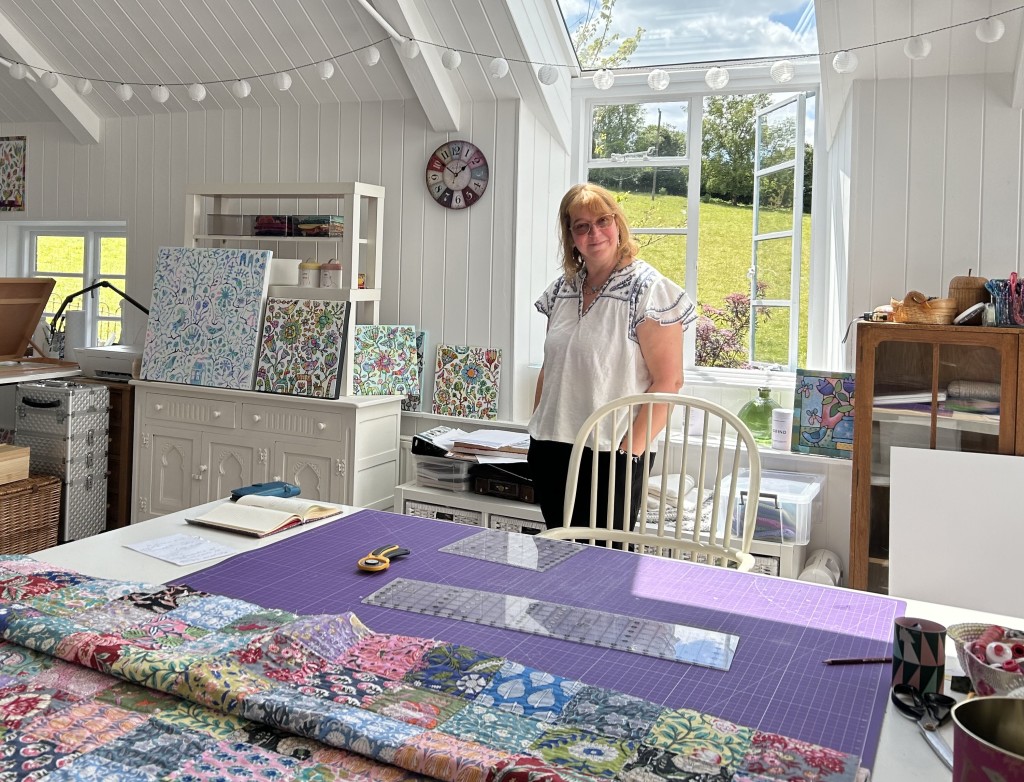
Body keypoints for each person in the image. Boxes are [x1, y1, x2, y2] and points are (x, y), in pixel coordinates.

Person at [527, 183, 696, 530]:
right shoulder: (562, 289)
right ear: (570, 235)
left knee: (602, 569)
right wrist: (536, 426)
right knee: (557, 558)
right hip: (551, 448)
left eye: (603, 220)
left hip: (611, 453)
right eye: (582, 226)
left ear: (618, 224)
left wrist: (628, 453)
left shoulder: (648, 289)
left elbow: (669, 382)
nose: (595, 233)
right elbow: (551, 368)